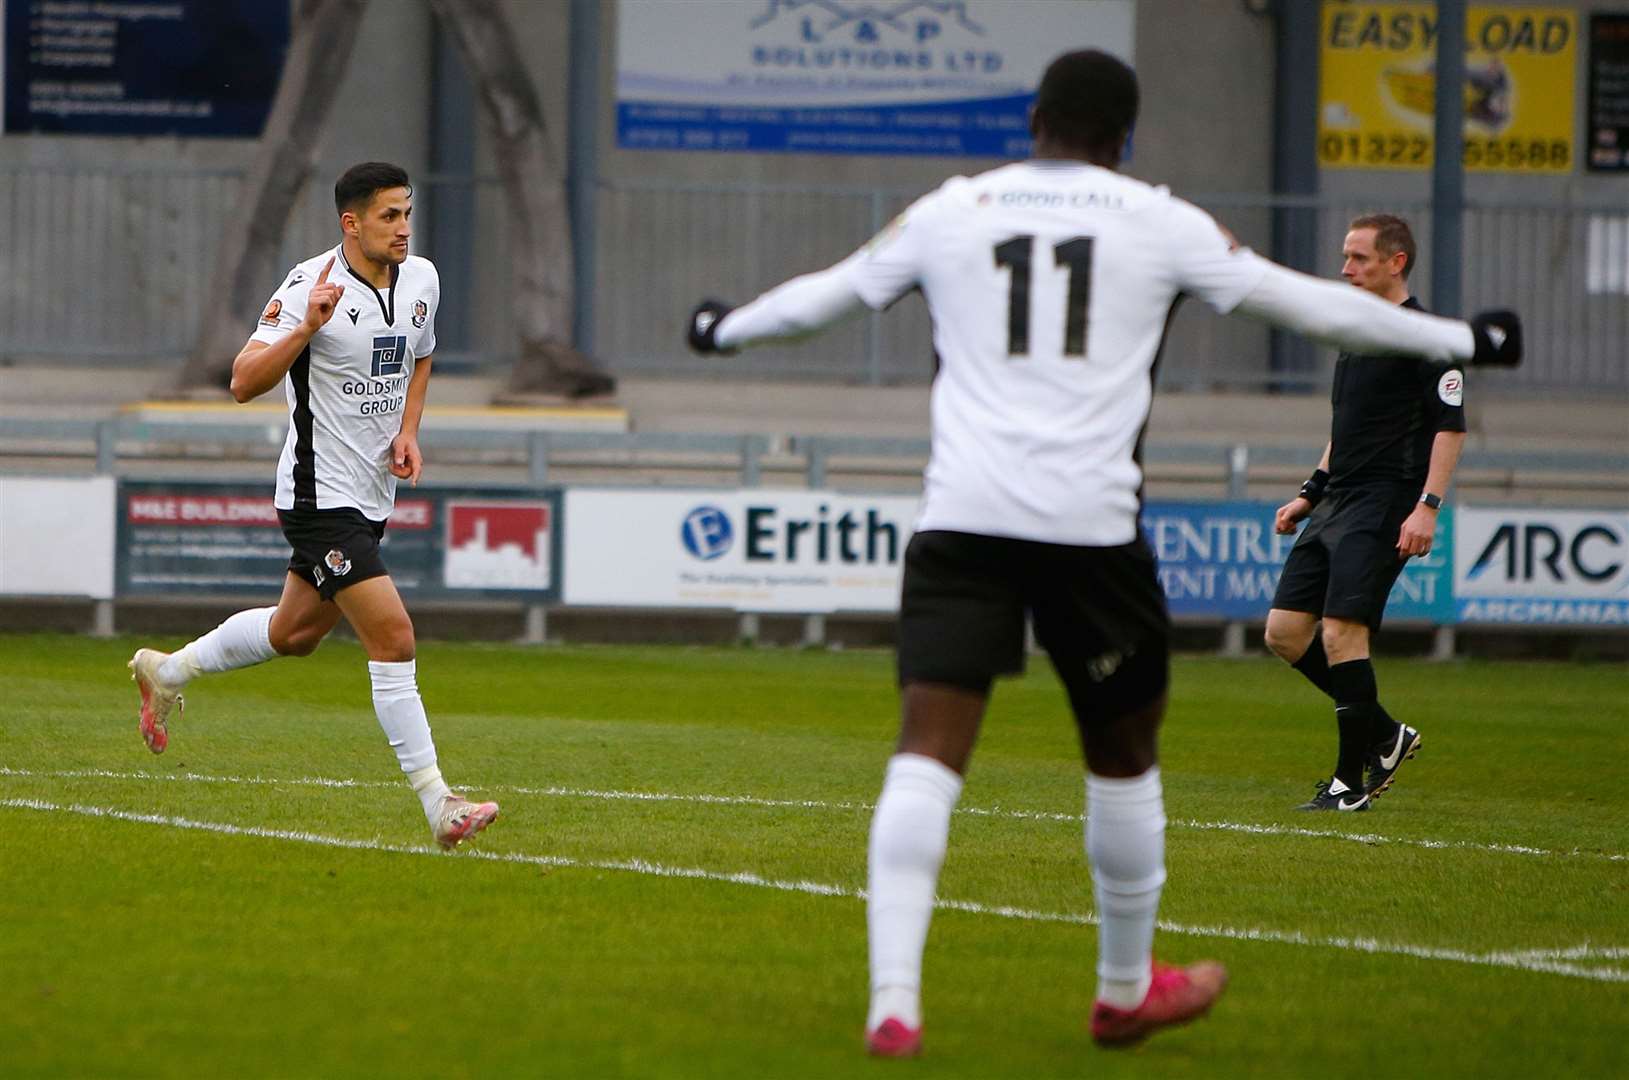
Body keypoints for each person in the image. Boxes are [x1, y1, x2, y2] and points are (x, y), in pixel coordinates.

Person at [685, 51, 1520, 1055]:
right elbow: (1300, 302)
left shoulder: (955, 206)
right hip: (1091, 529)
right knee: (1122, 763)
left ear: (1033, 118)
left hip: (963, 522)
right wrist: (1468, 336)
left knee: (926, 753)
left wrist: (722, 329)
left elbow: (832, 294)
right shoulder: (1161, 221)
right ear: (1125, 137)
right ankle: (1125, 988)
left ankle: (893, 1002)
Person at [128, 162, 499, 850]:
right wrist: (305, 329)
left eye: (407, 213)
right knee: (393, 638)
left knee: (294, 634)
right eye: (389, 216)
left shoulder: (422, 278)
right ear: (350, 223)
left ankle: (167, 670)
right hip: (316, 495)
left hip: (371, 494)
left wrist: (409, 429)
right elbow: (242, 381)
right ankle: (439, 804)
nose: (403, 228)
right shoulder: (309, 285)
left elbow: (421, 354)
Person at [1264, 215, 1465, 813]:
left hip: (1386, 502)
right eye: (1345, 257)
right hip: (1339, 500)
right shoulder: (1357, 331)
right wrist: (1310, 491)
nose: (1345, 269)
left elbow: (1450, 429)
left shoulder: (1429, 337)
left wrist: (1427, 508)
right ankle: (1384, 733)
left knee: (1342, 632)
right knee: (1284, 632)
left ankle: (1349, 783)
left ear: (1396, 262)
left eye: (1358, 258)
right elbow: (1345, 429)